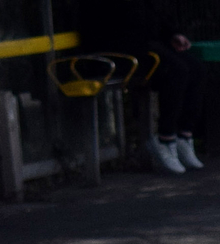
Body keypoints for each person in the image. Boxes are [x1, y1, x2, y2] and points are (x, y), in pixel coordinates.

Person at [84, 0, 203, 173]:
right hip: (113, 53)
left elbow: (152, 14)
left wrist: (171, 34)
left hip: (140, 47)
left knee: (196, 68)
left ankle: (184, 135)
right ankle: (165, 138)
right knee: (176, 70)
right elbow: (116, 24)